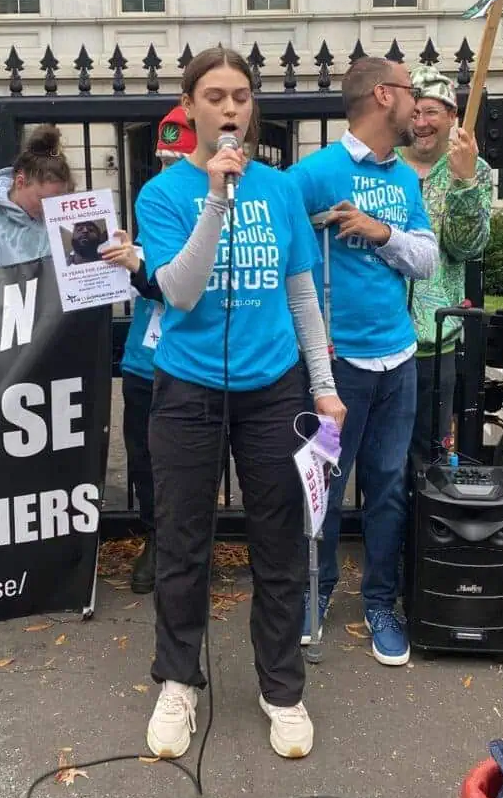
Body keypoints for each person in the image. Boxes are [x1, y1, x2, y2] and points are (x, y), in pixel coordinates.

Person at [134, 46, 346, 760]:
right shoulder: (162, 194)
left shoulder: (281, 190)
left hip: (273, 388)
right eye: (215, 96)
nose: (230, 108)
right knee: (182, 542)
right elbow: (180, 290)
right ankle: (178, 681)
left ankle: (281, 688)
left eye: (241, 96)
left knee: (278, 544)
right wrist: (217, 199)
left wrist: (324, 386)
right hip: (188, 388)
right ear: (190, 106)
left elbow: (302, 296)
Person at [287, 57, 438, 667]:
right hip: (337, 368)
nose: (417, 105)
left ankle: (379, 602)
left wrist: (381, 233)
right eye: (410, 91)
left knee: (389, 487)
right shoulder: (315, 173)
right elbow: (282, 251)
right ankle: (317, 588)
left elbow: (426, 260)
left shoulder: (404, 179)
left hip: (398, 360)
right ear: (383, 95)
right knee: (322, 484)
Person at [101, 105, 198, 595]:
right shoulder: (155, 208)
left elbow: (179, 285)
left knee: (192, 459)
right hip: (145, 358)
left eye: (175, 162)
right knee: (143, 456)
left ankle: (188, 543)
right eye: (161, 161)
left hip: (190, 359)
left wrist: (139, 267)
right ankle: (157, 537)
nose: (165, 172)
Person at [402, 65, 493, 469]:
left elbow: (467, 247)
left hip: (435, 342)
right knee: (379, 457)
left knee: (429, 458)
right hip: (380, 338)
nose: (421, 123)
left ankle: (423, 514)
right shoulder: (385, 166)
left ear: (453, 115)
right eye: (413, 112)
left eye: (431, 112)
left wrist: (464, 182)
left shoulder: (476, 170)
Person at [0, 125, 72, 279]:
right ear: (20, 182)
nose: (49, 209)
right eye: (43, 200)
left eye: (57, 201)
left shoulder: (61, 220)